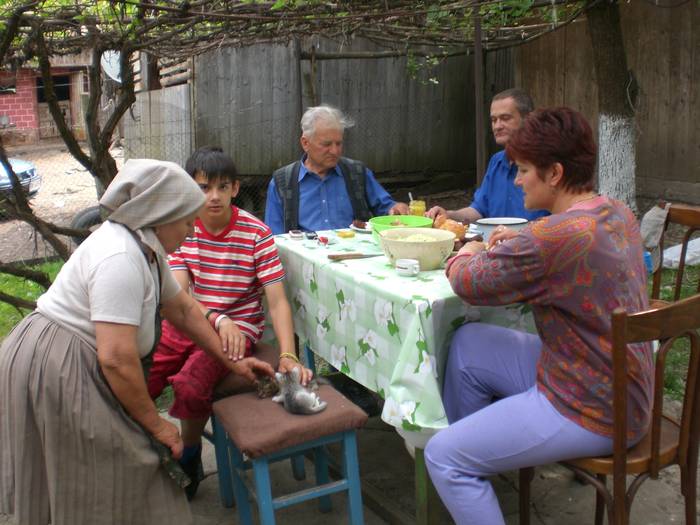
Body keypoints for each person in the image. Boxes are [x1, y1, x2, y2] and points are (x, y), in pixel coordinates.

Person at [0, 159, 274, 525]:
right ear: (159, 215)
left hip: (67, 358)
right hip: (54, 364)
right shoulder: (120, 257)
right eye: (186, 220)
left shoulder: (147, 250)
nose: (192, 231)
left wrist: (231, 362)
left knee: (106, 474)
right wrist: (158, 425)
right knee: (116, 466)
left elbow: (184, 311)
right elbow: (115, 357)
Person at [424, 108, 654, 524]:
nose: (516, 180)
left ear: (555, 173)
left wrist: (470, 250)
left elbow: (468, 283)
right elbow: (560, 239)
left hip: (590, 407)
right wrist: (524, 236)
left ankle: (465, 468)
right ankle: (480, 468)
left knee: (444, 456)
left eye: (524, 170)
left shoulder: (550, 239)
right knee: (468, 341)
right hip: (621, 385)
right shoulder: (615, 210)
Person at [147, 146, 313, 500]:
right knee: (140, 377)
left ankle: (188, 457)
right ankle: (146, 448)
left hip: (238, 333)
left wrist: (288, 354)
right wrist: (216, 317)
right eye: (204, 187)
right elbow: (178, 293)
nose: (214, 196)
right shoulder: (182, 229)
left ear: (236, 189)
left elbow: (277, 300)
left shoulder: (256, 233)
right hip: (189, 321)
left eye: (223, 187)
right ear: (190, 189)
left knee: (191, 386)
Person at [264, 104, 409, 234]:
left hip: (355, 257)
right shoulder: (282, 182)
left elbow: (387, 208)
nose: (334, 151)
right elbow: (274, 238)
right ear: (305, 143)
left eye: (338, 143)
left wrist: (396, 209)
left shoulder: (356, 173)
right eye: (326, 144)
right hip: (303, 261)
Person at [426, 88, 549, 224]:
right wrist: (448, 215)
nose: (497, 126)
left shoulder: (546, 162)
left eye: (505, 118)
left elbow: (562, 220)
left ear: (528, 119)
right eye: (493, 120)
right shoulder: (496, 161)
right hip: (493, 243)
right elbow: (479, 210)